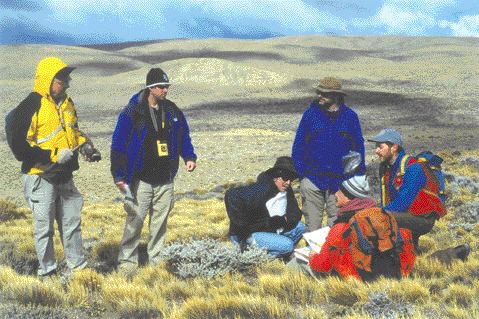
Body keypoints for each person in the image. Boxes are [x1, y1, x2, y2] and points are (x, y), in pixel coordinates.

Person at [8, 57, 101, 278]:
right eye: (62, 80)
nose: (67, 83)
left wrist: (86, 146)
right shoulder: (31, 105)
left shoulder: (68, 104)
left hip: (64, 175)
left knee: (71, 224)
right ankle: (47, 272)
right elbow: (20, 146)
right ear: (47, 80)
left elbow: (74, 132)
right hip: (41, 176)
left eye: (67, 79)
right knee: (44, 229)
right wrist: (52, 155)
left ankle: (78, 270)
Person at [111, 68, 197, 271]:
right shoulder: (133, 111)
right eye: (161, 87)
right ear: (150, 88)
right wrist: (119, 175)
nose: (165, 90)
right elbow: (118, 144)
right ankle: (127, 262)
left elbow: (183, 135)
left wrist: (189, 156)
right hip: (141, 179)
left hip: (165, 178)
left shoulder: (173, 111)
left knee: (160, 223)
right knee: (135, 220)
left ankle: (156, 260)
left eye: (167, 86)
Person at [288, 175, 416, 281]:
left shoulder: (341, 227)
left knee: (294, 264)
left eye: (338, 191)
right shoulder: (382, 216)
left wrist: (312, 257)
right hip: (390, 276)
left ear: (348, 196)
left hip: (355, 279)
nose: (335, 194)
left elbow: (323, 265)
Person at [292, 77, 366, 231]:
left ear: (336, 95)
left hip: (340, 183)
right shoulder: (310, 115)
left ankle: (332, 256)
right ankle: (313, 256)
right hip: (312, 180)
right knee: (312, 228)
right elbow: (298, 147)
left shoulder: (350, 117)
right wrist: (303, 176)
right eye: (319, 92)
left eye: (324, 94)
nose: (319, 96)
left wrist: (354, 180)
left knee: (338, 227)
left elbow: (358, 150)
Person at [368, 128, 444, 251]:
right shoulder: (387, 168)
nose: (376, 151)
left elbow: (403, 202)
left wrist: (376, 214)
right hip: (409, 214)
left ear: (394, 147)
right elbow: (386, 199)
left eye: (380, 147)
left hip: (423, 219)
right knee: (410, 253)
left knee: (379, 219)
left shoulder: (413, 168)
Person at [225, 156, 305, 257]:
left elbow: (296, 213)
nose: (288, 182)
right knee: (288, 245)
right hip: (253, 233)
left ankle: (279, 253)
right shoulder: (262, 188)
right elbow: (231, 195)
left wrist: (282, 220)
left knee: (300, 227)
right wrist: (243, 228)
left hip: (272, 230)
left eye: (291, 179)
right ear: (276, 177)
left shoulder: (286, 190)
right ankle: (252, 256)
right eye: (285, 178)